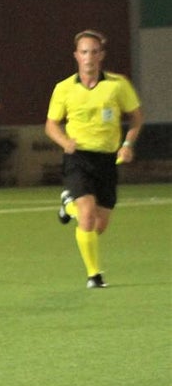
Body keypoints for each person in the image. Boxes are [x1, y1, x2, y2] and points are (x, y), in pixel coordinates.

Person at [44, 29, 144, 289]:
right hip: (78, 157)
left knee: (97, 226)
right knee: (87, 216)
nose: (89, 57)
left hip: (107, 160)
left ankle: (67, 206)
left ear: (102, 55)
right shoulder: (64, 88)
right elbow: (51, 125)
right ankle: (94, 275)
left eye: (94, 52)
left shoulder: (117, 85)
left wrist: (127, 145)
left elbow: (136, 118)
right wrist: (65, 141)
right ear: (76, 56)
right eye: (84, 52)